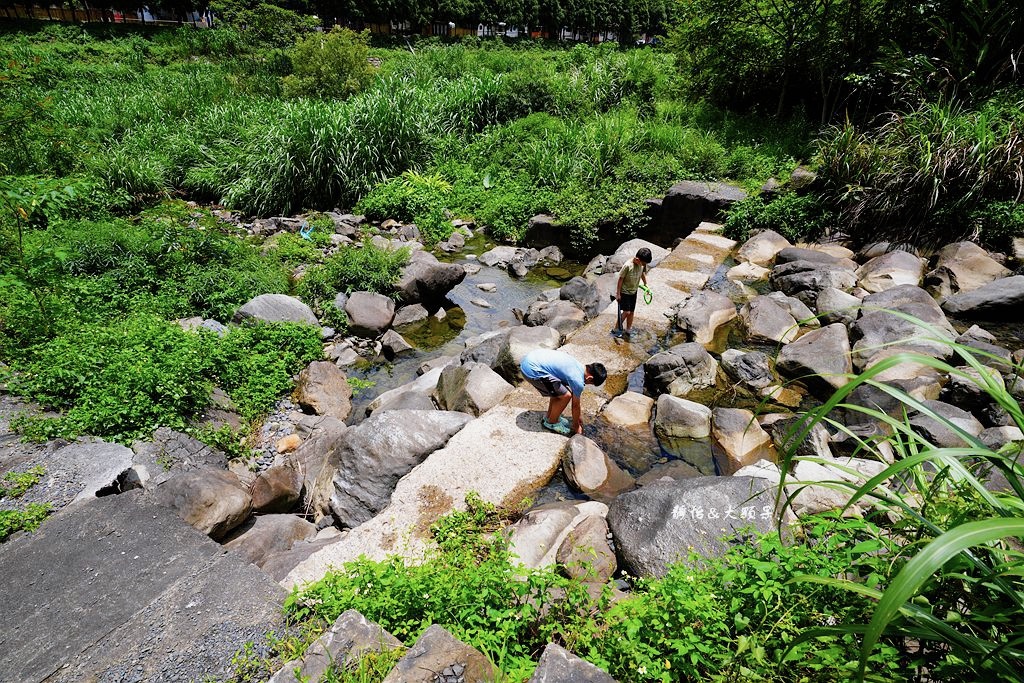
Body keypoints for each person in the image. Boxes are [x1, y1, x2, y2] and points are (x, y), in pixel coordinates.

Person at [520, 348, 607, 436]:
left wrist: (578, 417)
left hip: (530, 359)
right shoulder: (578, 380)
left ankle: (549, 417)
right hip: (532, 370)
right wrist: (576, 426)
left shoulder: (578, 366)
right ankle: (552, 423)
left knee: (559, 392)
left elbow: (558, 390)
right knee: (566, 396)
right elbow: (575, 405)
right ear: (590, 378)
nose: (585, 384)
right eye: (589, 383)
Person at [615, 247, 653, 337]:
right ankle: (616, 328)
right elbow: (620, 279)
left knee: (631, 312)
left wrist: (645, 284)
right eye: (643, 263)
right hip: (625, 292)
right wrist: (618, 293)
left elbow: (642, 273)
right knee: (626, 312)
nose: (644, 265)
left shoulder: (642, 265)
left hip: (633, 291)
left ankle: (628, 329)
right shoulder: (628, 266)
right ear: (637, 259)